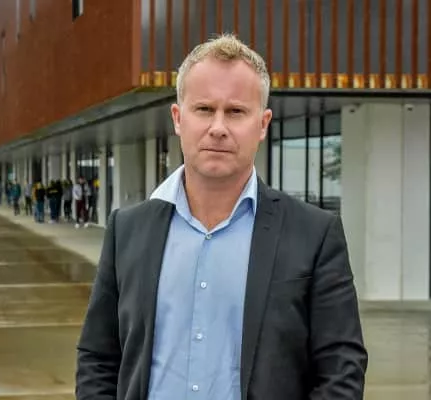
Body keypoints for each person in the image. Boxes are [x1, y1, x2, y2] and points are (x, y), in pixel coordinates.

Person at [76, 33, 367, 399]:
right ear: (178, 118)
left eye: (235, 112)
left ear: (263, 124)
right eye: (204, 109)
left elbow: (342, 369)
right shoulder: (127, 230)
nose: (218, 127)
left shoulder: (315, 235)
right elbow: (98, 358)